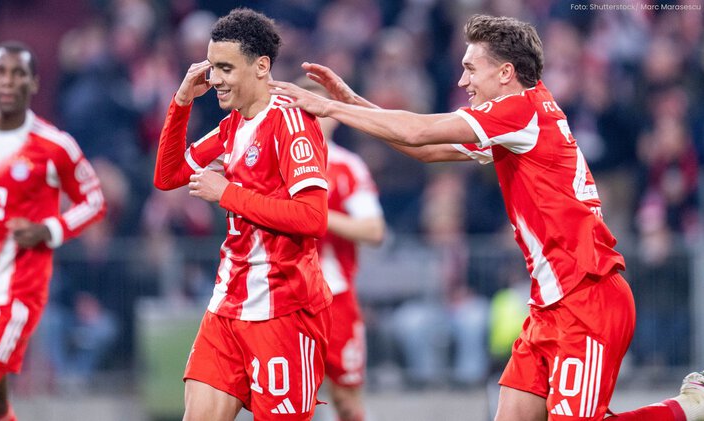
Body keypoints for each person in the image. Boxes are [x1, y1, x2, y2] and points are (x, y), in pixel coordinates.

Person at [269, 14, 704, 421]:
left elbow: (418, 132)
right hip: (550, 307)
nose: (462, 80)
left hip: (589, 299)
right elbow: (426, 149)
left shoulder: (520, 111)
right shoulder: (514, 121)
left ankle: (684, 410)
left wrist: (327, 108)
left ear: (505, 73)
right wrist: (351, 102)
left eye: (470, 69)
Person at [153, 8, 332, 421]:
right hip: (227, 305)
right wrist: (181, 101)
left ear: (261, 66)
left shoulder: (291, 123)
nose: (215, 78)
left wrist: (227, 194)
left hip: (284, 311)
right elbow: (167, 175)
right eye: (212, 67)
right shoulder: (232, 126)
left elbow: (313, 219)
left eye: (226, 68)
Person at [0, 41, 106, 421]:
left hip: (15, 293)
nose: (8, 81)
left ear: (34, 82)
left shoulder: (54, 146)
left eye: (18, 73)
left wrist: (49, 229)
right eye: (0, 71)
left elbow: (94, 200)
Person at [298, 78, 385, 421]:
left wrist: (315, 215)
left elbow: (374, 230)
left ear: (333, 116)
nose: (314, 119)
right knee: (287, 400)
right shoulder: (272, 161)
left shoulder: (347, 166)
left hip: (334, 296)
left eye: (320, 111)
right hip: (282, 294)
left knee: (347, 402)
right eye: (305, 111)